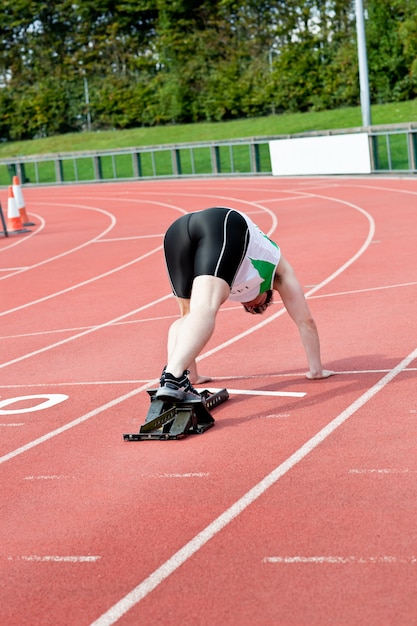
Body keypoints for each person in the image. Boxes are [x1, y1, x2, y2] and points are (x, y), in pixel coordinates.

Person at [155, 207, 333, 402]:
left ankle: (177, 377)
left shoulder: (235, 278)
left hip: (179, 230)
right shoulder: (279, 273)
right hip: (225, 223)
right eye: (258, 307)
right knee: (205, 307)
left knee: (188, 316)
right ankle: (172, 376)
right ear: (268, 293)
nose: (251, 306)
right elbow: (305, 320)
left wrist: (194, 377)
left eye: (249, 309)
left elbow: (189, 322)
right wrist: (316, 370)